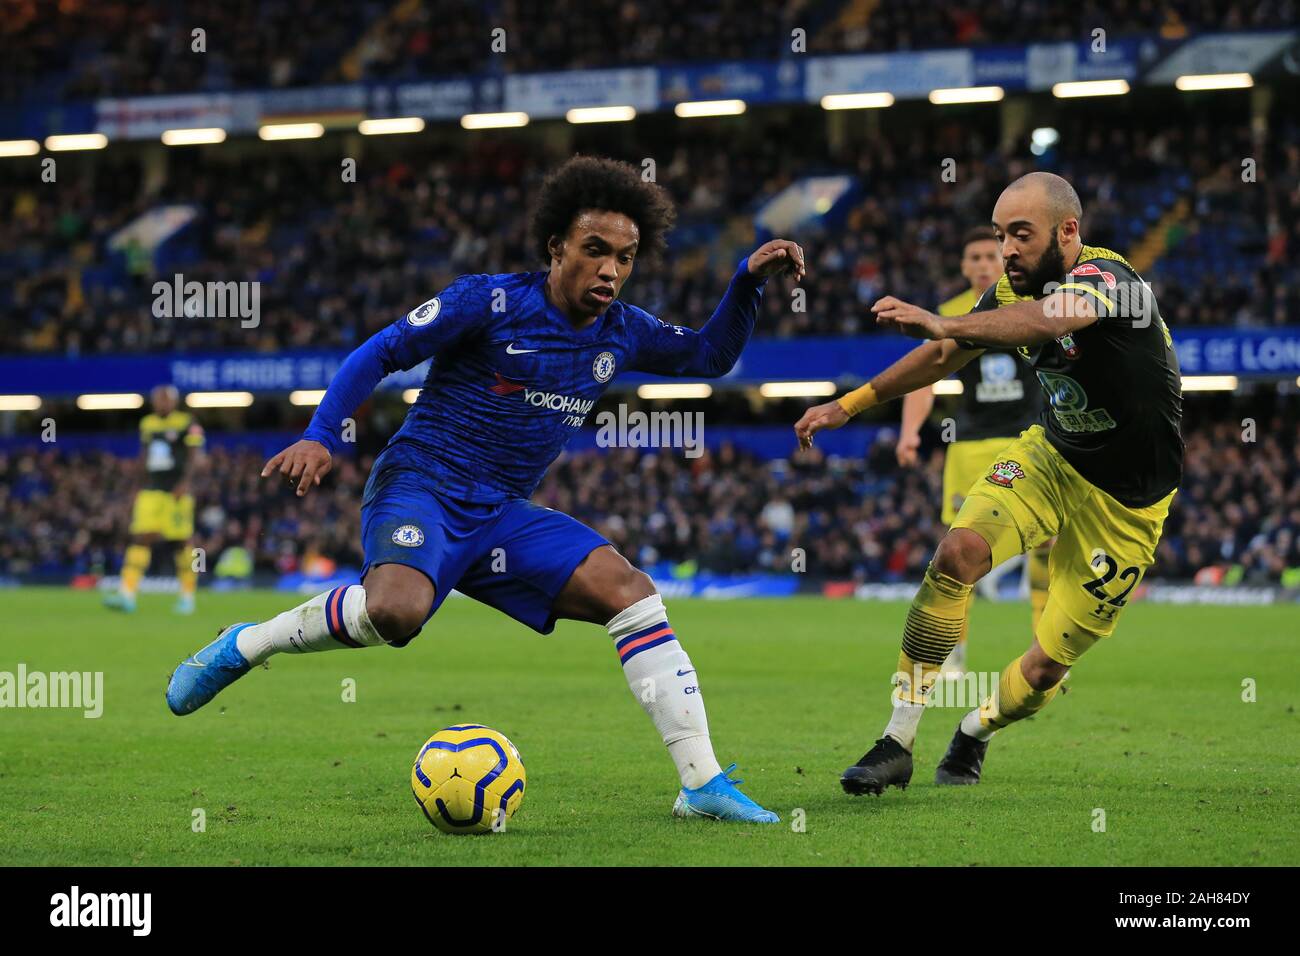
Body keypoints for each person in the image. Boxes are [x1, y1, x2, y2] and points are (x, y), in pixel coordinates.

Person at [166, 156, 805, 823]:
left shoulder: (623, 330)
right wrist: (324, 434)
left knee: (632, 593)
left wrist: (746, 282)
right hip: (424, 484)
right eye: (595, 251)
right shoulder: (489, 301)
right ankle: (249, 643)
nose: (612, 270)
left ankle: (700, 782)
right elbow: (382, 352)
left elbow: (709, 357)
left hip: (503, 513)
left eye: (626, 256)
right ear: (556, 248)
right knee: (397, 615)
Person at [795, 172, 1181, 793]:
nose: (1006, 251)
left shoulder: (1113, 282)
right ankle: (896, 739)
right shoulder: (1006, 289)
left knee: (1046, 667)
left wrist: (946, 324)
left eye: (1020, 235)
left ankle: (976, 730)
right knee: (958, 552)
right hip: (1052, 457)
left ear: (1069, 231)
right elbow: (944, 357)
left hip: (1128, 504)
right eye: (1001, 236)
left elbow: (1047, 322)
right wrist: (851, 404)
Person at [895, 226, 1048, 678]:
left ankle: (1045, 652)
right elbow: (924, 376)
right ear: (963, 267)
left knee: (1048, 543)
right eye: (974, 257)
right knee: (956, 552)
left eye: (990, 256)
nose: (983, 264)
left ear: (1003, 260)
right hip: (968, 446)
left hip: (1028, 441)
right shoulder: (945, 314)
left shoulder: (1032, 303)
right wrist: (909, 433)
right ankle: (952, 655)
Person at [105, 384, 204, 615]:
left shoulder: (187, 422)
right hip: (151, 490)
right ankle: (126, 595)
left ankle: (187, 597)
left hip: (176, 492)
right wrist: (136, 486)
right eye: (158, 399)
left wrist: (186, 483)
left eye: (165, 399)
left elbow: (194, 456)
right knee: (140, 538)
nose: (161, 403)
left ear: (174, 401)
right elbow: (145, 456)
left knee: (181, 542)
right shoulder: (147, 423)